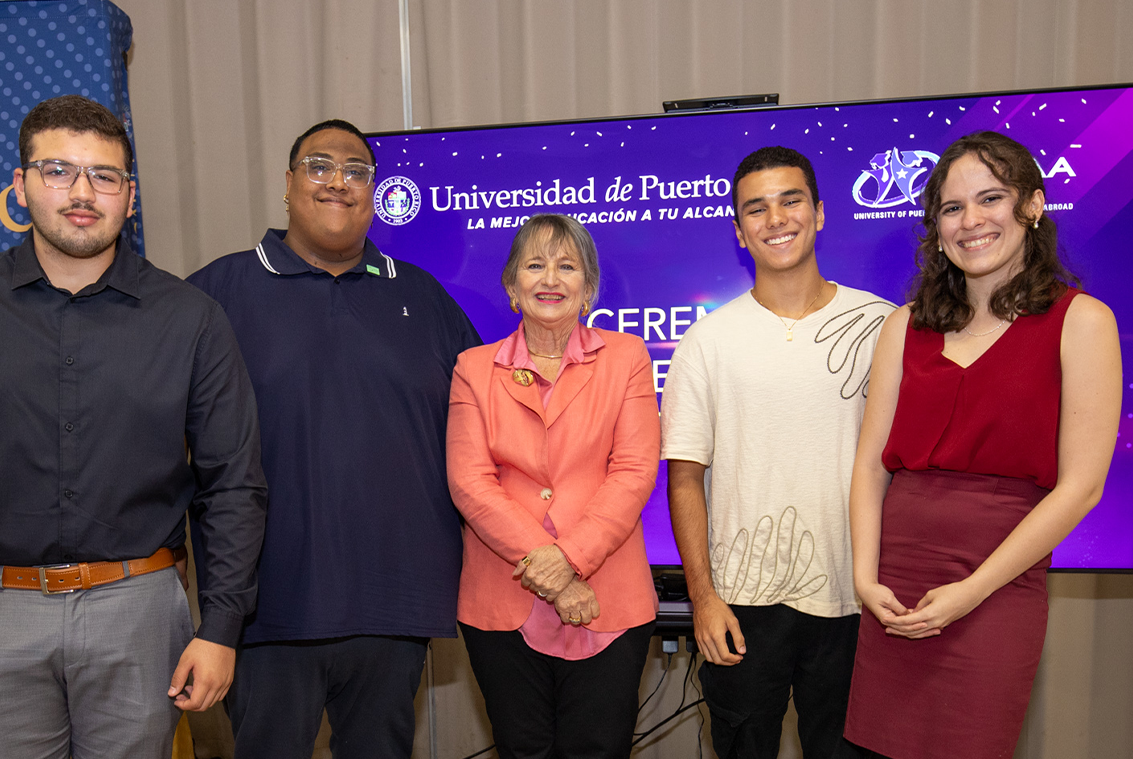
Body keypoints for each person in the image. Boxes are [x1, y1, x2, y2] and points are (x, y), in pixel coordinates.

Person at [0, 95, 268, 758]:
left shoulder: (191, 319)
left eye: (104, 176)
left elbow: (233, 486)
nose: (82, 193)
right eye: (57, 171)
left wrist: (220, 628)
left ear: (129, 197)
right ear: (20, 187)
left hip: (139, 610)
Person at [186, 119, 480, 759]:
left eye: (356, 171)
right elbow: (157, 438)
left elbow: (487, 431)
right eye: (319, 166)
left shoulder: (423, 298)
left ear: (374, 194)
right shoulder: (216, 295)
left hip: (393, 605)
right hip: (266, 609)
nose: (338, 182)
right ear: (289, 185)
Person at [843, 131, 1121, 758]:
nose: (970, 221)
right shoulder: (901, 326)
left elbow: (1082, 487)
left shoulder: (1083, 322)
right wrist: (864, 576)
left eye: (989, 199)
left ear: (1032, 206)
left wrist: (972, 590)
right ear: (935, 226)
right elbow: (869, 465)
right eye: (951, 207)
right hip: (894, 589)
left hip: (996, 586)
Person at [662, 146, 895, 759]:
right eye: (756, 209)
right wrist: (703, 601)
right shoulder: (706, 342)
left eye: (791, 200)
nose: (776, 219)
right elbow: (684, 480)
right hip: (740, 606)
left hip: (856, 597)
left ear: (819, 212)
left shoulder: (882, 326)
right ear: (739, 232)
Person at [445, 213, 660, 757]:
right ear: (511, 286)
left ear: (588, 288)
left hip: (609, 593)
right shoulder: (473, 368)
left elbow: (634, 470)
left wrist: (572, 559)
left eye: (567, 267)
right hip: (503, 596)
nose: (550, 279)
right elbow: (470, 483)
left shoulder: (627, 358)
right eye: (534, 265)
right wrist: (558, 576)